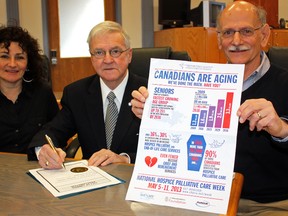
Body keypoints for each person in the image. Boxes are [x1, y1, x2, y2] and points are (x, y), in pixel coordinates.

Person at [130, 1, 288, 216]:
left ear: (264, 35)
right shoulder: (199, 86)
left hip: (266, 205)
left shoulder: (285, 82)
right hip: (202, 199)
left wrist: (282, 130)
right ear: (219, 40)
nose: (237, 41)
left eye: (247, 31)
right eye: (228, 32)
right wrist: (153, 113)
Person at [28, 21, 147, 168]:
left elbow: (171, 150)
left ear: (129, 55)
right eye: (99, 52)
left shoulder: (149, 93)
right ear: (91, 57)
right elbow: (52, 131)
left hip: (137, 180)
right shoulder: (76, 93)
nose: (108, 60)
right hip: (92, 182)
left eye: (115, 51)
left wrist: (126, 159)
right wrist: (44, 150)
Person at [0, 25, 59, 154]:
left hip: (37, 167)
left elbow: (57, 132)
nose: (12, 64)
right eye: (4, 56)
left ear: (28, 63)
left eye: (19, 57)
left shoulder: (43, 92)